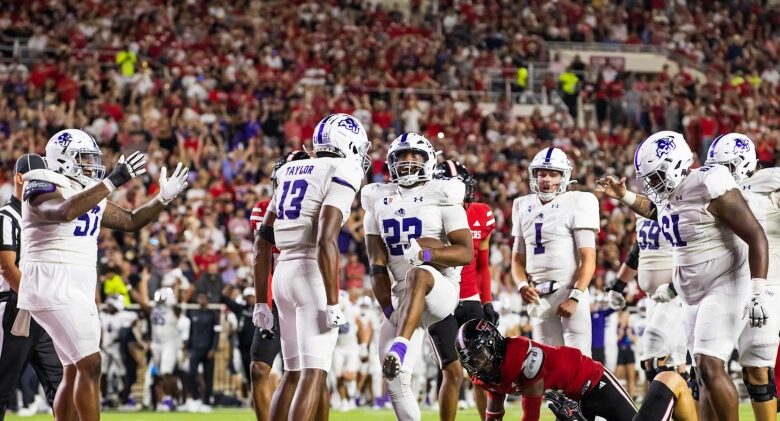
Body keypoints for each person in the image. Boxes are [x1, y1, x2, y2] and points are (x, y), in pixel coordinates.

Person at [17, 129, 189, 421]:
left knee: (74, 368)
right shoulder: (42, 181)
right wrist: (111, 181)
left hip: (76, 283)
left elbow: (131, 220)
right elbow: (62, 211)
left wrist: (162, 199)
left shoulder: (86, 193)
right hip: (51, 280)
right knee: (92, 364)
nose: (91, 165)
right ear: (61, 160)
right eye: (83, 159)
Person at [597, 130, 769, 421]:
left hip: (724, 283)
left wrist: (757, 290)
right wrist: (625, 196)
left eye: (654, 177)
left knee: (710, 365)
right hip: (692, 292)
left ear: (675, 165)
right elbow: (659, 211)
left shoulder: (708, 181)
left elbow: (756, 236)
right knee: (700, 375)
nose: (652, 184)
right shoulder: (670, 192)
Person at [253, 113, 371, 421]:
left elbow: (262, 241)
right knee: (313, 374)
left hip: (282, 274)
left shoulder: (289, 169)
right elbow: (326, 238)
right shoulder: (342, 168)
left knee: (292, 373)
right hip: (310, 274)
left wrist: (260, 301)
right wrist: (333, 302)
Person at [362, 132, 473, 421]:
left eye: (415, 156)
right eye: (401, 156)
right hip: (401, 294)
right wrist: (388, 309)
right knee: (395, 382)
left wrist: (426, 255)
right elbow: (376, 266)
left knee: (419, 274)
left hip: (441, 288)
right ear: (390, 162)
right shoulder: (376, 199)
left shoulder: (444, 193)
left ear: (429, 161)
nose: (408, 161)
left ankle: (401, 344)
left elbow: (465, 252)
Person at [706, 132, 779, 418]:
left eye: (723, 167)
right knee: (715, 366)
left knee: (758, 365)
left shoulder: (769, 185)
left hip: (769, 284)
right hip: (729, 286)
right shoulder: (720, 192)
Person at [455, 318, 637, 420]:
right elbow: (493, 416)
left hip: (594, 383)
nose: (477, 365)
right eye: (472, 361)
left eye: (480, 357)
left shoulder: (521, 356)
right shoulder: (489, 376)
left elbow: (531, 416)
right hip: (568, 404)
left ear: (493, 345)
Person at [511, 147, 599, 355]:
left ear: (564, 176)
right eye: (542, 174)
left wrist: (575, 296)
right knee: (547, 369)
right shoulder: (522, 205)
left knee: (578, 364)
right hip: (538, 296)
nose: (546, 179)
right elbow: (517, 259)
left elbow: (588, 259)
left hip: (568, 290)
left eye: (553, 174)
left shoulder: (578, 201)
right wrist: (522, 285)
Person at [427, 159, 497, 420]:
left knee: (483, 370)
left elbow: (482, 265)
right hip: (440, 297)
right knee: (452, 371)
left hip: (469, 297)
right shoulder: (426, 212)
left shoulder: (481, 213)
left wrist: (487, 301)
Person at [0, 154, 62, 421]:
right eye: (34, 179)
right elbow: (7, 267)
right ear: (19, 178)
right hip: (15, 309)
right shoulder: (7, 216)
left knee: (61, 385)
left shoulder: (41, 217)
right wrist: (34, 297)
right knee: (2, 386)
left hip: (40, 309)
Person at [249, 149, 309, 421]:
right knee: (260, 368)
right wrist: (263, 302)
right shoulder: (264, 208)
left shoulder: (320, 209)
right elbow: (262, 254)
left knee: (312, 372)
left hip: (308, 295)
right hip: (277, 296)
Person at [186, 292, 219, 411]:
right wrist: (188, 348)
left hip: (208, 350)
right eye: (199, 298)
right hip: (195, 349)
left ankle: (206, 402)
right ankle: (196, 398)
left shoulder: (213, 315)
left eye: (203, 298)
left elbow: (216, 333)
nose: (201, 301)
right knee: (191, 373)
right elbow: (191, 332)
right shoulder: (193, 314)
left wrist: (213, 348)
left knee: (208, 377)